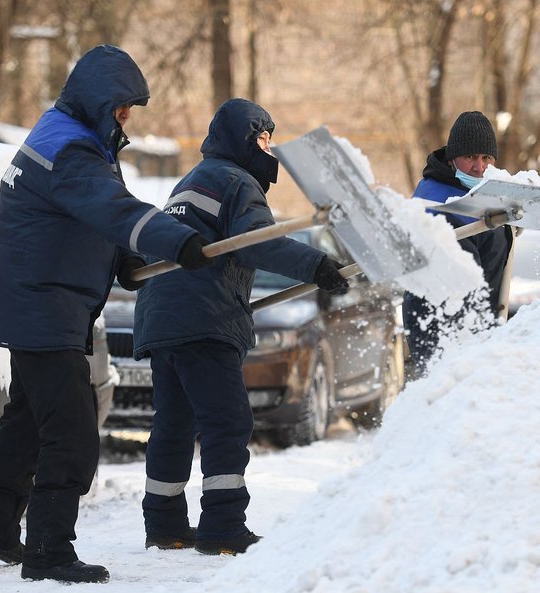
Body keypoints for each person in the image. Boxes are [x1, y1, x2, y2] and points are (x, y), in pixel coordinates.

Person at [0, 45, 210, 584]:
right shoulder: (71, 151)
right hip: (41, 305)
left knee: (29, 422)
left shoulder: (68, 137)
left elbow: (92, 217)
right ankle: (49, 551)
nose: (126, 119)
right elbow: (114, 208)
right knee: (71, 430)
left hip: (38, 302)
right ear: (100, 100)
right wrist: (178, 241)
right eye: (122, 107)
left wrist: (126, 257)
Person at [131, 98, 348, 556]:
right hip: (202, 320)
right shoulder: (238, 182)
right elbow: (258, 245)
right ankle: (223, 528)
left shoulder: (191, 181)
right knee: (227, 420)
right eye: (264, 139)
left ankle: (164, 525)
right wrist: (316, 265)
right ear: (245, 139)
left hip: (161, 317)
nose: (269, 150)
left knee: (174, 422)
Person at [402, 111, 513, 378]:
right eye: (470, 157)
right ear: (452, 159)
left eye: (486, 158)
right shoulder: (437, 201)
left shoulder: (476, 195)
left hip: (472, 324)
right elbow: (462, 279)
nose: (479, 166)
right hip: (441, 325)